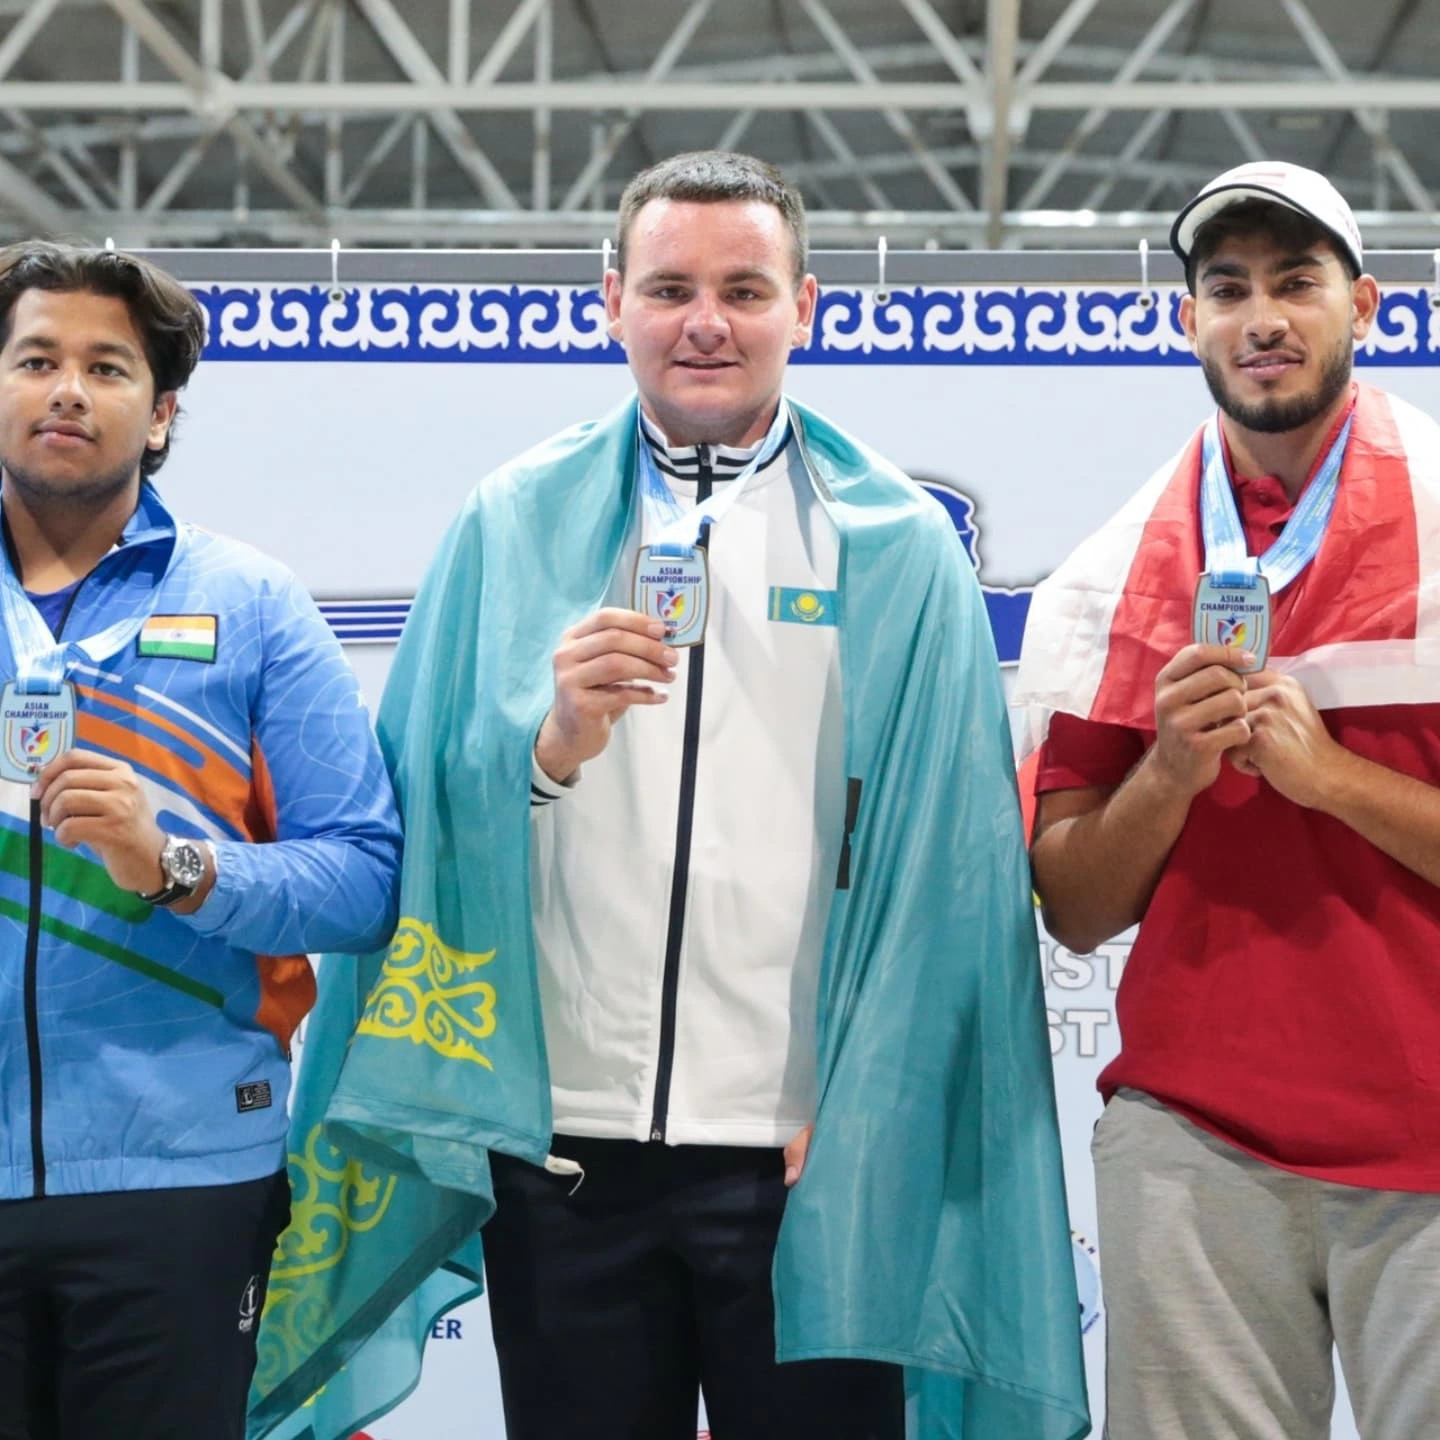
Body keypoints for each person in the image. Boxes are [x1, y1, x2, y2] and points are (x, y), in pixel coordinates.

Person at [250, 151, 1088, 1440]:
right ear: (611, 302)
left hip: (807, 1161)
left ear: (806, 307)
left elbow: (951, 871)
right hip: (562, 1150)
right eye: (670, 288)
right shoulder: (510, 519)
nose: (707, 322)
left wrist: (867, 1106)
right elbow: (415, 817)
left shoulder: (895, 545)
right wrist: (549, 745)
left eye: (744, 290)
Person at [1018, 159, 1440, 1440]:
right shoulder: (1110, 576)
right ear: (1186, 319)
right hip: (1195, 1142)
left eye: (1296, 282)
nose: (1263, 317)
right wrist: (1169, 772)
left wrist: (1332, 780)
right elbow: (1075, 908)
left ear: (1364, 304)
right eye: (1229, 287)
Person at [0, 241, 402, 1440]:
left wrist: (181, 867)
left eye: (107, 367)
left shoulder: (252, 603)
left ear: (162, 412)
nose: (68, 390)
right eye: (36, 359)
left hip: (181, 1182)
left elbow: (364, 878)